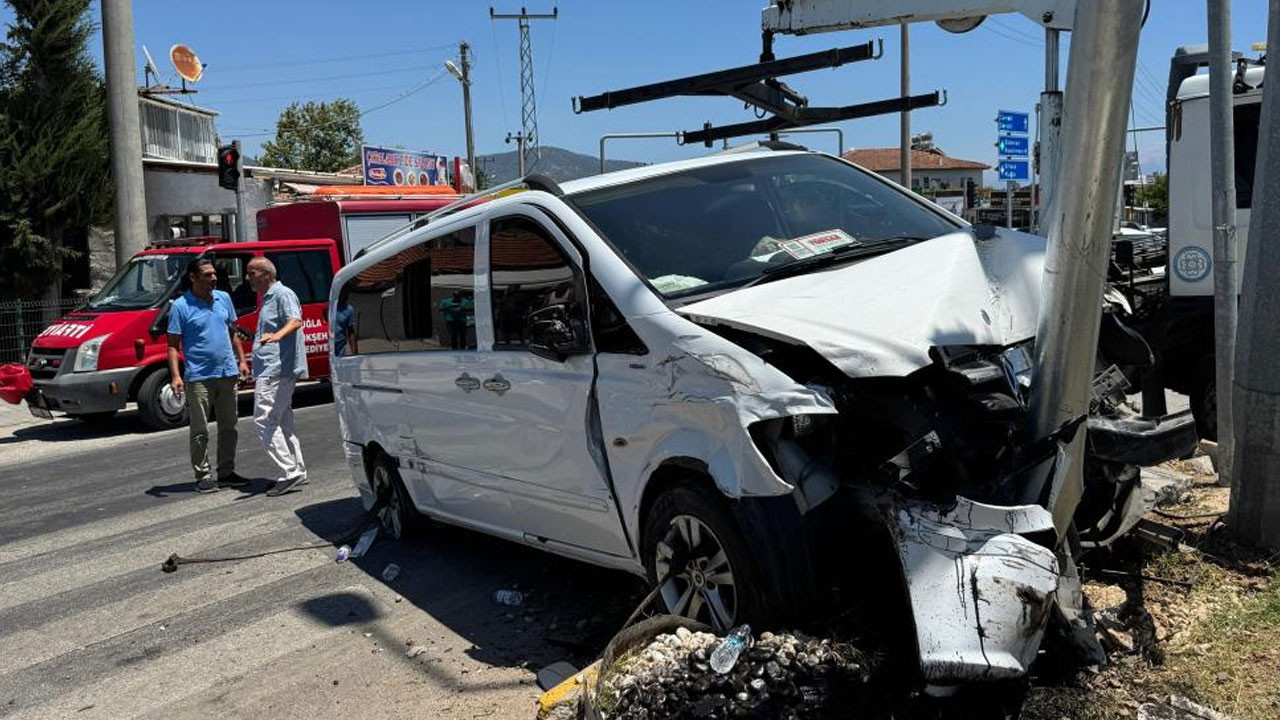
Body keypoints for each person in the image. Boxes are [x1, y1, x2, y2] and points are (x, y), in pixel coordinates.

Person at [168, 258, 251, 493]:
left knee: (229, 426)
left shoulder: (223, 298)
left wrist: (242, 361)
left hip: (227, 371)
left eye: (214, 274)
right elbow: (173, 345)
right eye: (207, 275)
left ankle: (226, 472)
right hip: (198, 376)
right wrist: (176, 376)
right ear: (193, 278)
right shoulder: (181, 306)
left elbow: (233, 332)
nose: (213, 278)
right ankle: (203, 475)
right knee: (200, 429)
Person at [246, 257, 309, 497]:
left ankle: (288, 472)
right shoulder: (269, 297)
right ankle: (298, 469)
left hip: (276, 369)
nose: (247, 277)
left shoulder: (283, 294)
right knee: (282, 420)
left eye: (252, 273)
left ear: (265, 274)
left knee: (264, 420)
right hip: (273, 368)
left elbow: (295, 320)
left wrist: (277, 336)